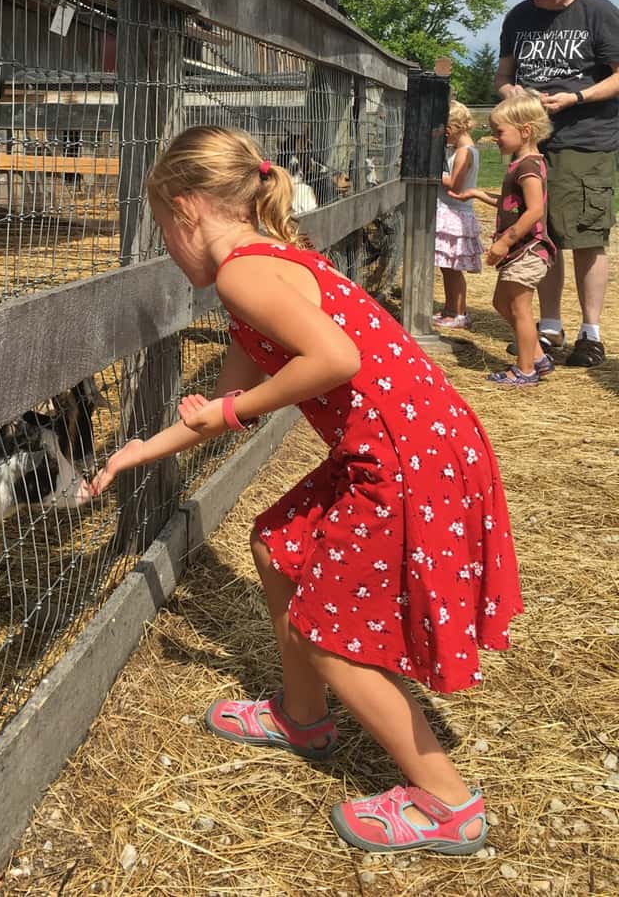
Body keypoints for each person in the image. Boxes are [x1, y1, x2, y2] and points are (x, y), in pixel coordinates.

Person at [85, 126, 522, 856]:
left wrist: (233, 410)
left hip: (402, 457)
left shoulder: (242, 274)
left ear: (187, 209)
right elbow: (221, 407)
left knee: (332, 632)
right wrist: (145, 448)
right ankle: (303, 715)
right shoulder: (264, 269)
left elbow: (333, 357)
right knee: (278, 543)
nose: (166, 247)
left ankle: (449, 805)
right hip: (413, 442)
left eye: (162, 229)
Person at [496, 0, 619, 367]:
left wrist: (578, 98)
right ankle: (549, 327)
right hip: (534, 144)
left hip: (586, 140)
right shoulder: (518, 17)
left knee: (585, 236)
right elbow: (504, 75)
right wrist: (511, 92)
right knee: (540, 237)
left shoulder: (599, 14)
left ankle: (591, 333)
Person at [451, 93, 555, 387]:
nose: (494, 137)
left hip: (528, 250)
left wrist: (506, 241)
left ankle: (525, 370)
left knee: (521, 309)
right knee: (500, 302)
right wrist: (477, 194)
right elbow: (513, 203)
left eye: (499, 132)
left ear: (525, 131)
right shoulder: (522, 162)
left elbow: (535, 210)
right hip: (520, 252)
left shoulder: (529, 167)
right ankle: (537, 357)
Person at [433, 102, 482, 329]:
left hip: (455, 212)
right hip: (451, 210)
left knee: (453, 269)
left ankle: (459, 313)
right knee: (447, 267)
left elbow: (455, 184)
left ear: (455, 126)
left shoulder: (464, 152)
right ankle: (450, 309)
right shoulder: (460, 150)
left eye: (447, 131)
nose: (445, 135)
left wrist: (431, 172)